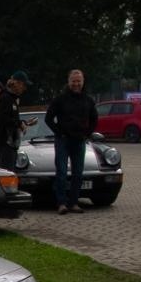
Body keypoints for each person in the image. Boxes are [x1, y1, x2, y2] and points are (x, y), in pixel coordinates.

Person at [43, 69, 99, 214]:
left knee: (78, 173)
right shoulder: (60, 99)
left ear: (83, 82)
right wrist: (59, 132)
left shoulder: (88, 100)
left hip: (79, 141)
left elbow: (94, 119)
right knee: (61, 172)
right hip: (63, 141)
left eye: (78, 81)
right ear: (68, 82)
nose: (76, 84)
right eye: (73, 81)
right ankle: (61, 203)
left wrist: (87, 133)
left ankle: (74, 202)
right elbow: (48, 119)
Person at [0, 70, 31, 170]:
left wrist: (22, 122)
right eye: (23, 85)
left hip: (11, 141)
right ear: (17, 83)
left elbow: (11, 118)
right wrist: (19, 124)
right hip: (6, 141)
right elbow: (2, 120)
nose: (24, 88)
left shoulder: (12, 98)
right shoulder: (6, 98)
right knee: (7, 171)